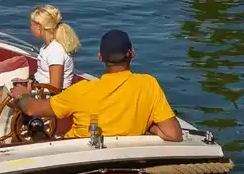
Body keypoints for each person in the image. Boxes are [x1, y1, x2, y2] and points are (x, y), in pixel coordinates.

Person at [47, 30, 183, 141]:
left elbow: (32, 109)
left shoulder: (81, 90)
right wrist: (149, 126)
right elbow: (173, 134)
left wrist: (25, 99)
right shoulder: (148, 84)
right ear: (132, 53)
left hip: (76, 155)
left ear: (100, 57)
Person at [0, 4, 77, 110]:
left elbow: (55, 87)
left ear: (39, 27)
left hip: (46, 96)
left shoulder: (55, 50)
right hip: (37, 88)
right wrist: (26, 82)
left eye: (31, 24)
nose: (30, 28)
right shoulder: (46, 47)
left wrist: (29, 89)